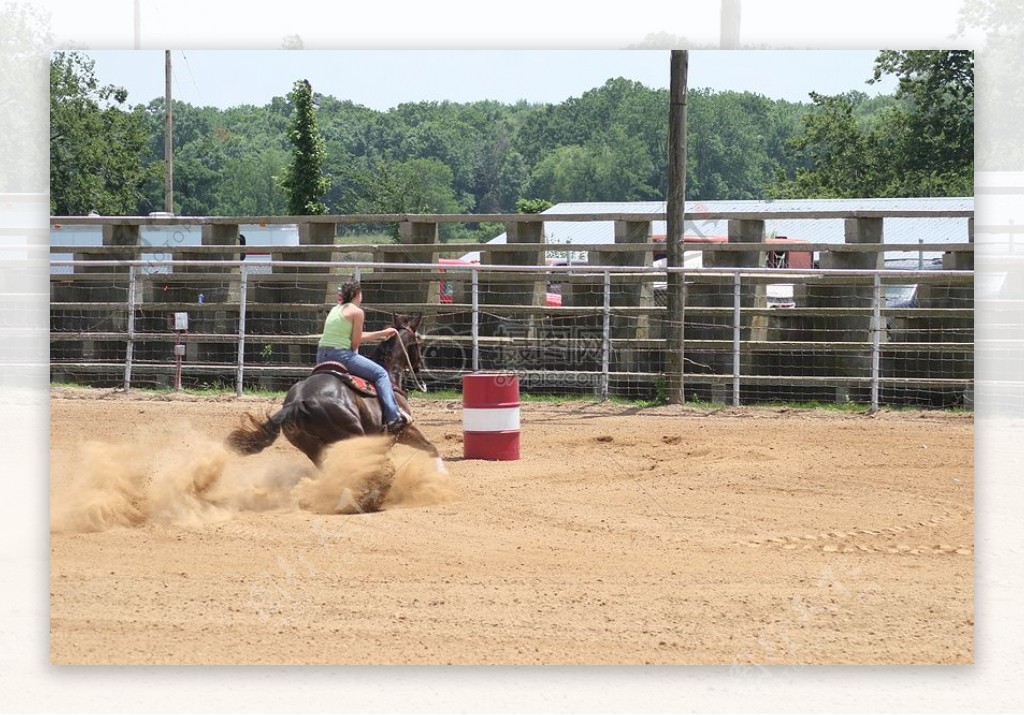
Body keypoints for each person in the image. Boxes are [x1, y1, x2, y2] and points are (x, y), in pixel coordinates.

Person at [316, 280, 410, 434]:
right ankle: (393, 417)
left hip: (322, 355)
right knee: (380, 373)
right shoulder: (357, 312)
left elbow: (353, 336)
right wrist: (380, 335)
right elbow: (355, 342)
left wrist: (381, 334)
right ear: (357, 294)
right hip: (341, 354)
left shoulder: (335, 309)